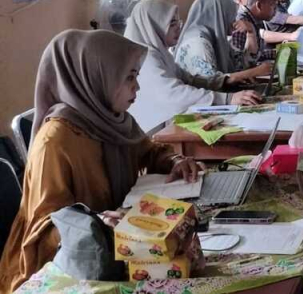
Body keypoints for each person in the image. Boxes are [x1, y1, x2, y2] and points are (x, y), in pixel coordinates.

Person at [0, 30, 203, 292]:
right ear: (97, 77)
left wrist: (174, 160)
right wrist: (96, 223)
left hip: (120, 244)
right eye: (128, 77)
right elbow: (45, 226)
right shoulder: (56, 141)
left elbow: (147, 152)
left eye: (136, 76)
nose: (137, 87)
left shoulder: (112, 119)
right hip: (65, 267)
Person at [126, 0, 262, 132]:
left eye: (177, 22)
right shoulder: (146, 57)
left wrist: (227, 82)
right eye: (172, 23)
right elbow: (175, 94)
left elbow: (191, 79)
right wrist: (227, 98)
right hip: (153, 132)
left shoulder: (161, 53)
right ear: (154, 26)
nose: (178, 27)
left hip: (166, 126)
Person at [174, 0, 271, 80]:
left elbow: (241, 64)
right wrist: (255, 72)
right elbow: (212, 82)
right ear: (219, 16)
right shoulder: (198, 43)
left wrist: (251, 32)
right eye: (231, 16)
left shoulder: (216, 39)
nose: (234, 21)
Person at [230, 0, 280, 68]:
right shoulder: (241, 24)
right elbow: (239, 64)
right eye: (273, 5)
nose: (276, 10)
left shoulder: (255, 20)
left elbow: (256, 54)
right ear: (259, 6)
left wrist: (281, 52)